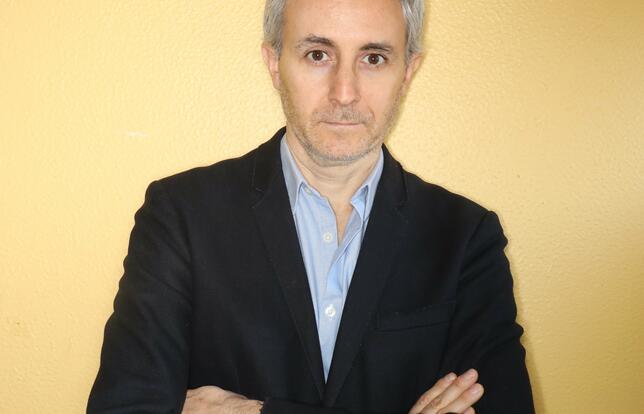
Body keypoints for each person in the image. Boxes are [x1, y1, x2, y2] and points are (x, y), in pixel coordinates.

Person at [88, 0, 534, 413]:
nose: (344, 92)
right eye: (318, 55)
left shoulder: (465, 238)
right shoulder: (181, 216)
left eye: (373, 58)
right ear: (274, 63)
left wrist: (262, 412)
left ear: (407, 71)